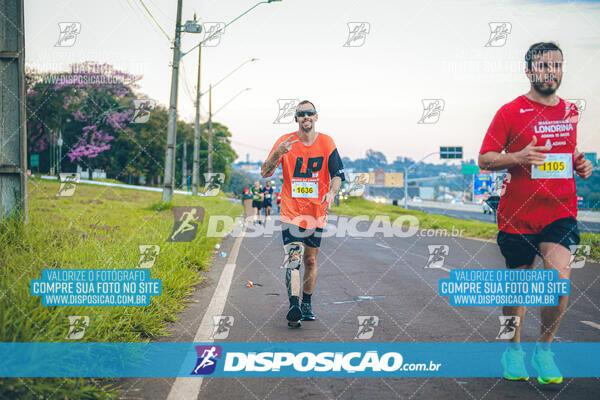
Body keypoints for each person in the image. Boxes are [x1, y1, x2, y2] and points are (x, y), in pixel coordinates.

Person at [478, 42, 593, 384]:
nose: (550, 71)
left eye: (556, 65)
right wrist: (518, 157)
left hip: (560, 211)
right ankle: (513, 350)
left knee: (558, 281)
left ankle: (544, 351)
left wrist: (581, 165)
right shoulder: (509, 112)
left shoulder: (570, 111)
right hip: (518, 214)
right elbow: (484, 160)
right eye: (543, 66)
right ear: (528, 71)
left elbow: (568, 155)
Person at [261, 100, 345, 328]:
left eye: (309, 113)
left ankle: (306, 303)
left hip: (316, 212)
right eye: (301, 114)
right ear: (296, 118)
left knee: (310, 259)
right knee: (294, 258)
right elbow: (265, 172)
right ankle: (293, 306)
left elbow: (337, 173)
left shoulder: (327, 143)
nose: (305, 117)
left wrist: (332, 192)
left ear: (316, 117)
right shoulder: (285, 142)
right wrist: (277, 153)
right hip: (291, 212)